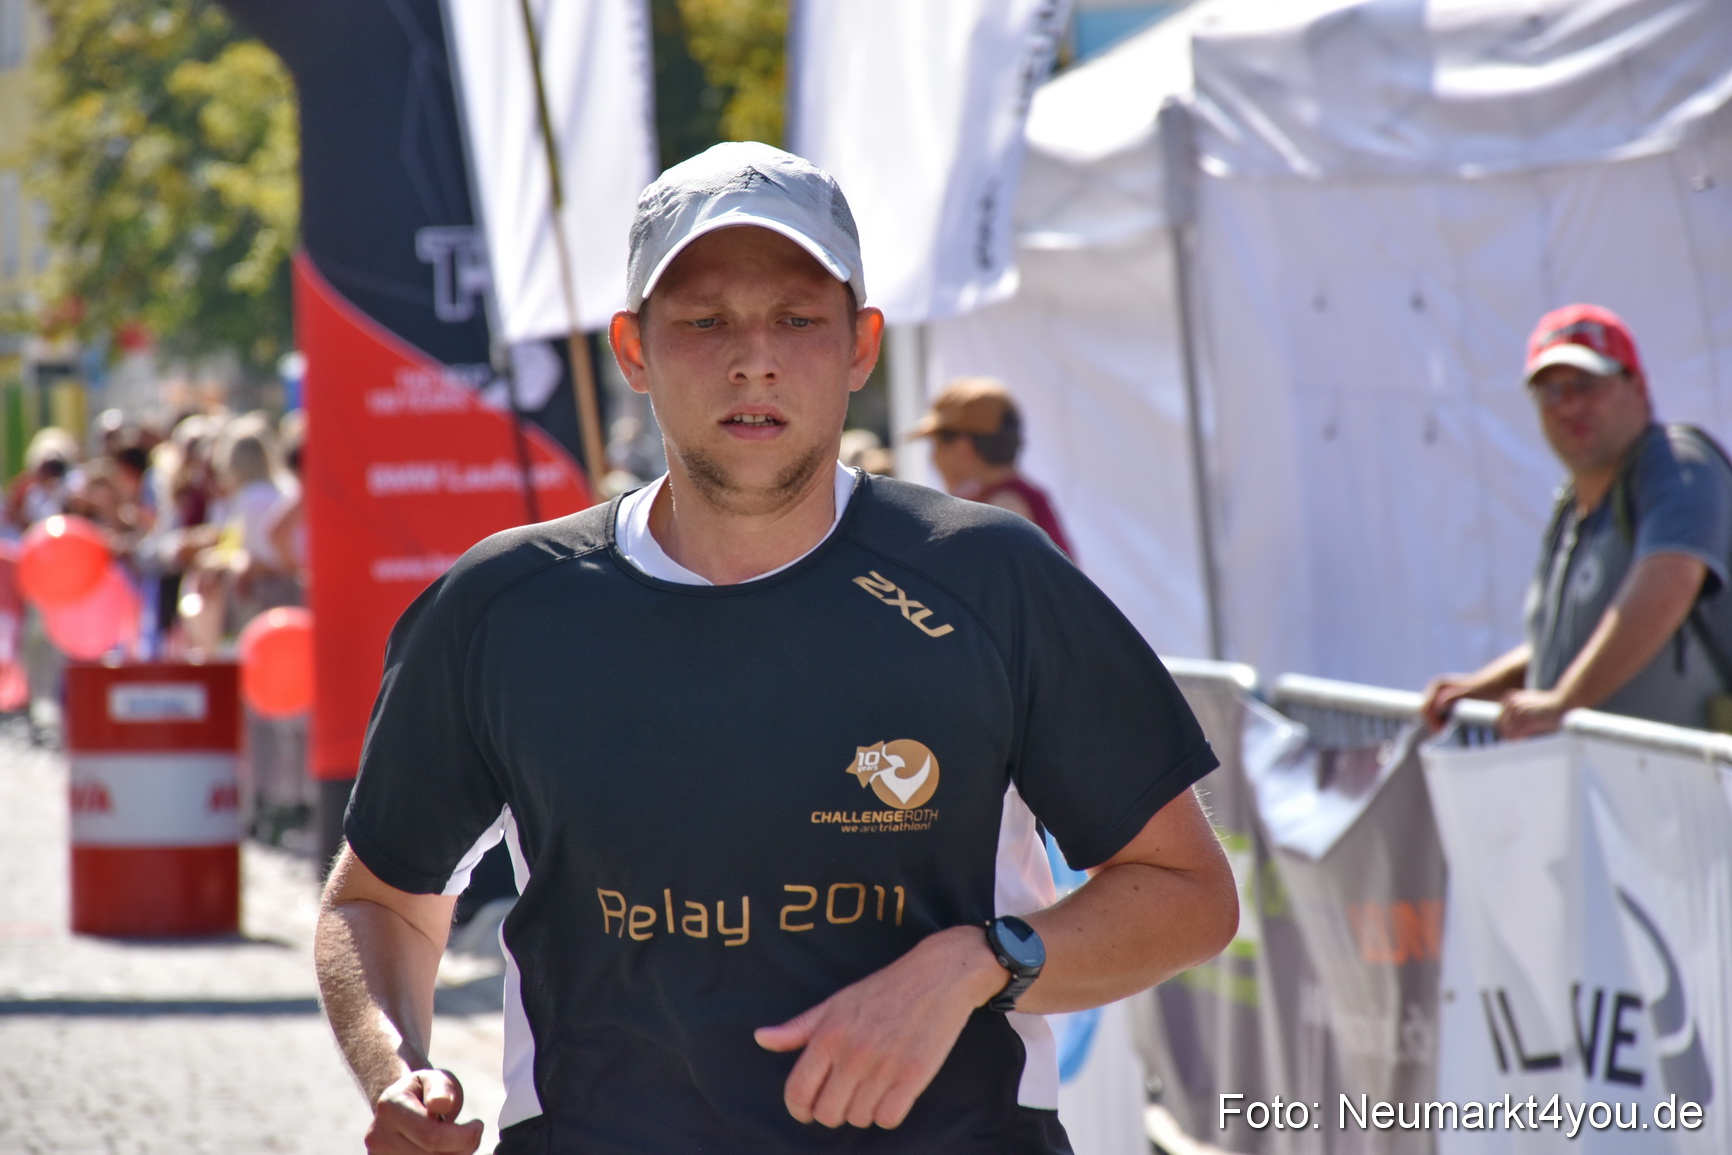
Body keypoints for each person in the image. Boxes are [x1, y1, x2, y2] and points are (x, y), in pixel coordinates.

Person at [315, 142, 1236, 1154]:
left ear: (859, 347)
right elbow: (382, 900)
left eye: (796, 320)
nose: (752, 357)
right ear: (633, 350)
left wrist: (980, 961)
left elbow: (1187, 895)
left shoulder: (989, 577)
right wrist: (394, 1069)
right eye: (704, 321)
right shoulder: (502, 606)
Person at [1422, 303, 1732, 737]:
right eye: (1550, 391)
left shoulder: (1678, 464)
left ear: (1639, 386)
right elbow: (1575, 646)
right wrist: (1486, 688)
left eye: (1586, 385)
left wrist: (1566, 701)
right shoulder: (1574, 504)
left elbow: (1671, 580)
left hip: (1694, 790)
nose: (1568, 405)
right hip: (1604, 788)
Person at [911, 377, 1074, 557]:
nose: (933, 457)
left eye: (937, 445)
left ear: (963, 448)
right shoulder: (1006, 499)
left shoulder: (1004, 508)